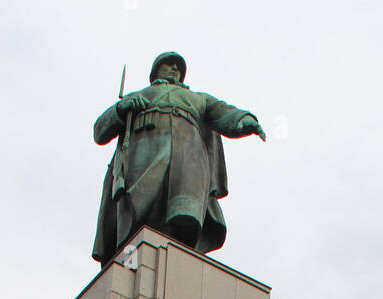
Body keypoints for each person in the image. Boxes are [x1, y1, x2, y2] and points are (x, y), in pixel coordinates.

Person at [92, 51, 265, 263]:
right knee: (136, 219)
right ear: (156, 70)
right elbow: (100, 130)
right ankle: (131, 264)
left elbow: (224, 112)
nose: (175, 69)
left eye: (178, 67)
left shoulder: (197, 98)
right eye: (169, 64)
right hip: (144, 155)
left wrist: (244, 120)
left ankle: (176, 266)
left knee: (183, 216)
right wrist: (120, 109)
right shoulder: (138, 95)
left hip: (187, 157)